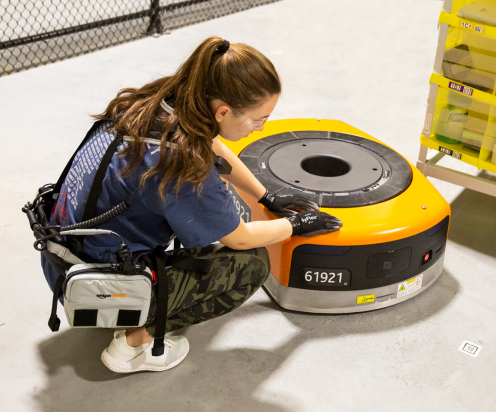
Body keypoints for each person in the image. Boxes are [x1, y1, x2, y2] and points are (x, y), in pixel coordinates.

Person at [42, 36, 343, 373]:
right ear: (223, 111)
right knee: (253, 264)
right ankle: (133, 344)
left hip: (62, 257)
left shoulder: (158, 104)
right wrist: (296, 225)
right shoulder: (182, 166)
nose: (261, 127)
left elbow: (212, 145)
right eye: (258, 119)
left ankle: (131, 308)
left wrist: (266, 196)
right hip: (96, 285)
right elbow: (239, 238)